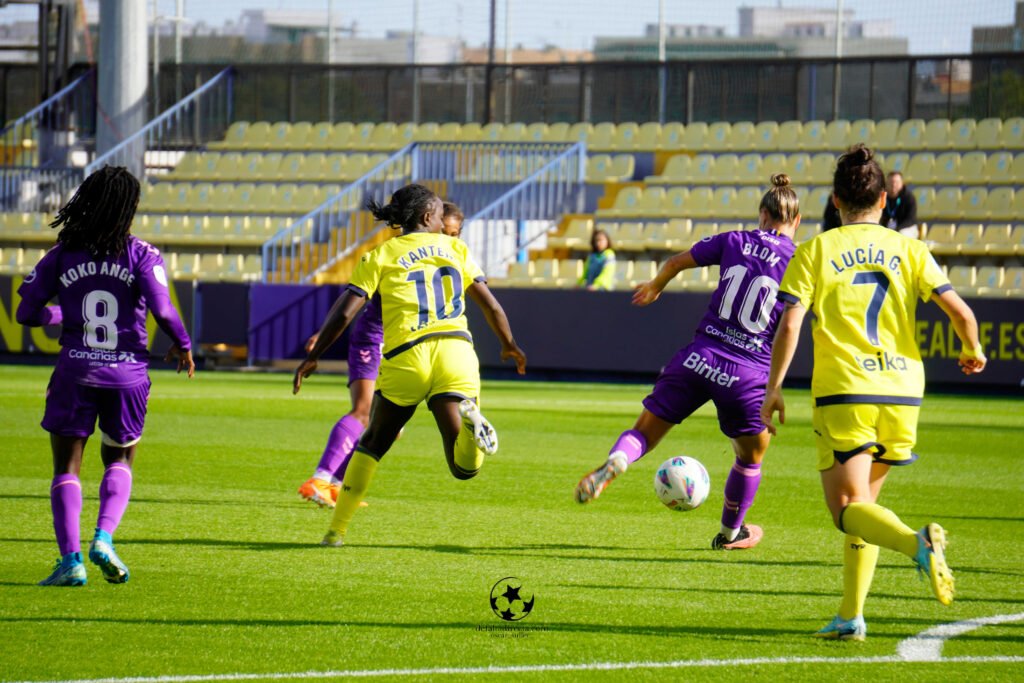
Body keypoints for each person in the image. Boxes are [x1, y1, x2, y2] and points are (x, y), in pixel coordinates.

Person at [761, 144, 986, 641]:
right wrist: (973, 350)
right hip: (904, 390)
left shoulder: (815, 250)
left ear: (835, 202)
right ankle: (850, 615)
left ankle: (917, 545)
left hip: (846, 389)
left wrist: (774, 388)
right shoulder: (912, 250)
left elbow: (790, 325)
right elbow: (963, 315)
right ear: (884, 201)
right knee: (866, 504)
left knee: (845, 510)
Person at [574, 173, 800, 550]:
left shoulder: (735, 240)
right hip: (748, 373)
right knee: (750, 458)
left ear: (762, 213)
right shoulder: (798, 259)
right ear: (796, 221)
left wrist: (655, 286)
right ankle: (731, 534)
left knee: (644, 433)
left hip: (700, 356)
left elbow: (678, 261)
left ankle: (616, 461)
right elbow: (791, 323)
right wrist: (774, 388)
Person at [293, 184, 526, 546]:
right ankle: (470, 425)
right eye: (437, 212)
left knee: (372, 444)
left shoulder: (380, 255)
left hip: (407, 357)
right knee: (464, 468)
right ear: (427, 217)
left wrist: (314, 354)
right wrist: (509, 345)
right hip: (456, 353)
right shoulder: (456, 248)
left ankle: (336, 531)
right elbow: (491, 306)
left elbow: (346, 311)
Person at [16, 165, 195, 587]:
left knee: (67, 467)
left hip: (75, 370)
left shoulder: (62, 253)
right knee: (118, 458)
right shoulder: (142, 254)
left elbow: (26, 313)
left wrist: (59, 313)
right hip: (127, 376)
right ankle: (104, 537)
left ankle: (70, 561)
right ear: (128, 208)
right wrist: (184, 346)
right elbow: (164, 311)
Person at [297, 202, 466, 508]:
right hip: (376, 339)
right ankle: (320, 479)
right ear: (433, 222)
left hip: (410, 352)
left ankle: (337, 485)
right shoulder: (399, 252)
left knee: (390, 429)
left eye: (455, 234)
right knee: (363, 412)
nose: (449, 237)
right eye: (446, 229)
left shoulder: (450, 257)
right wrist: (322, 337)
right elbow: (356, 297)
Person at [881, 171, 918, 238]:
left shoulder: (909, 197)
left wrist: (896, 229)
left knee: (901, 234)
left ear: (902, 183)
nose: (893, 185)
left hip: (906, 228)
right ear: (886, 184)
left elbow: (911, 219)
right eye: (891, 182)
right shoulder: (882, 197)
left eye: (897, 182)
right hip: (887, 229)